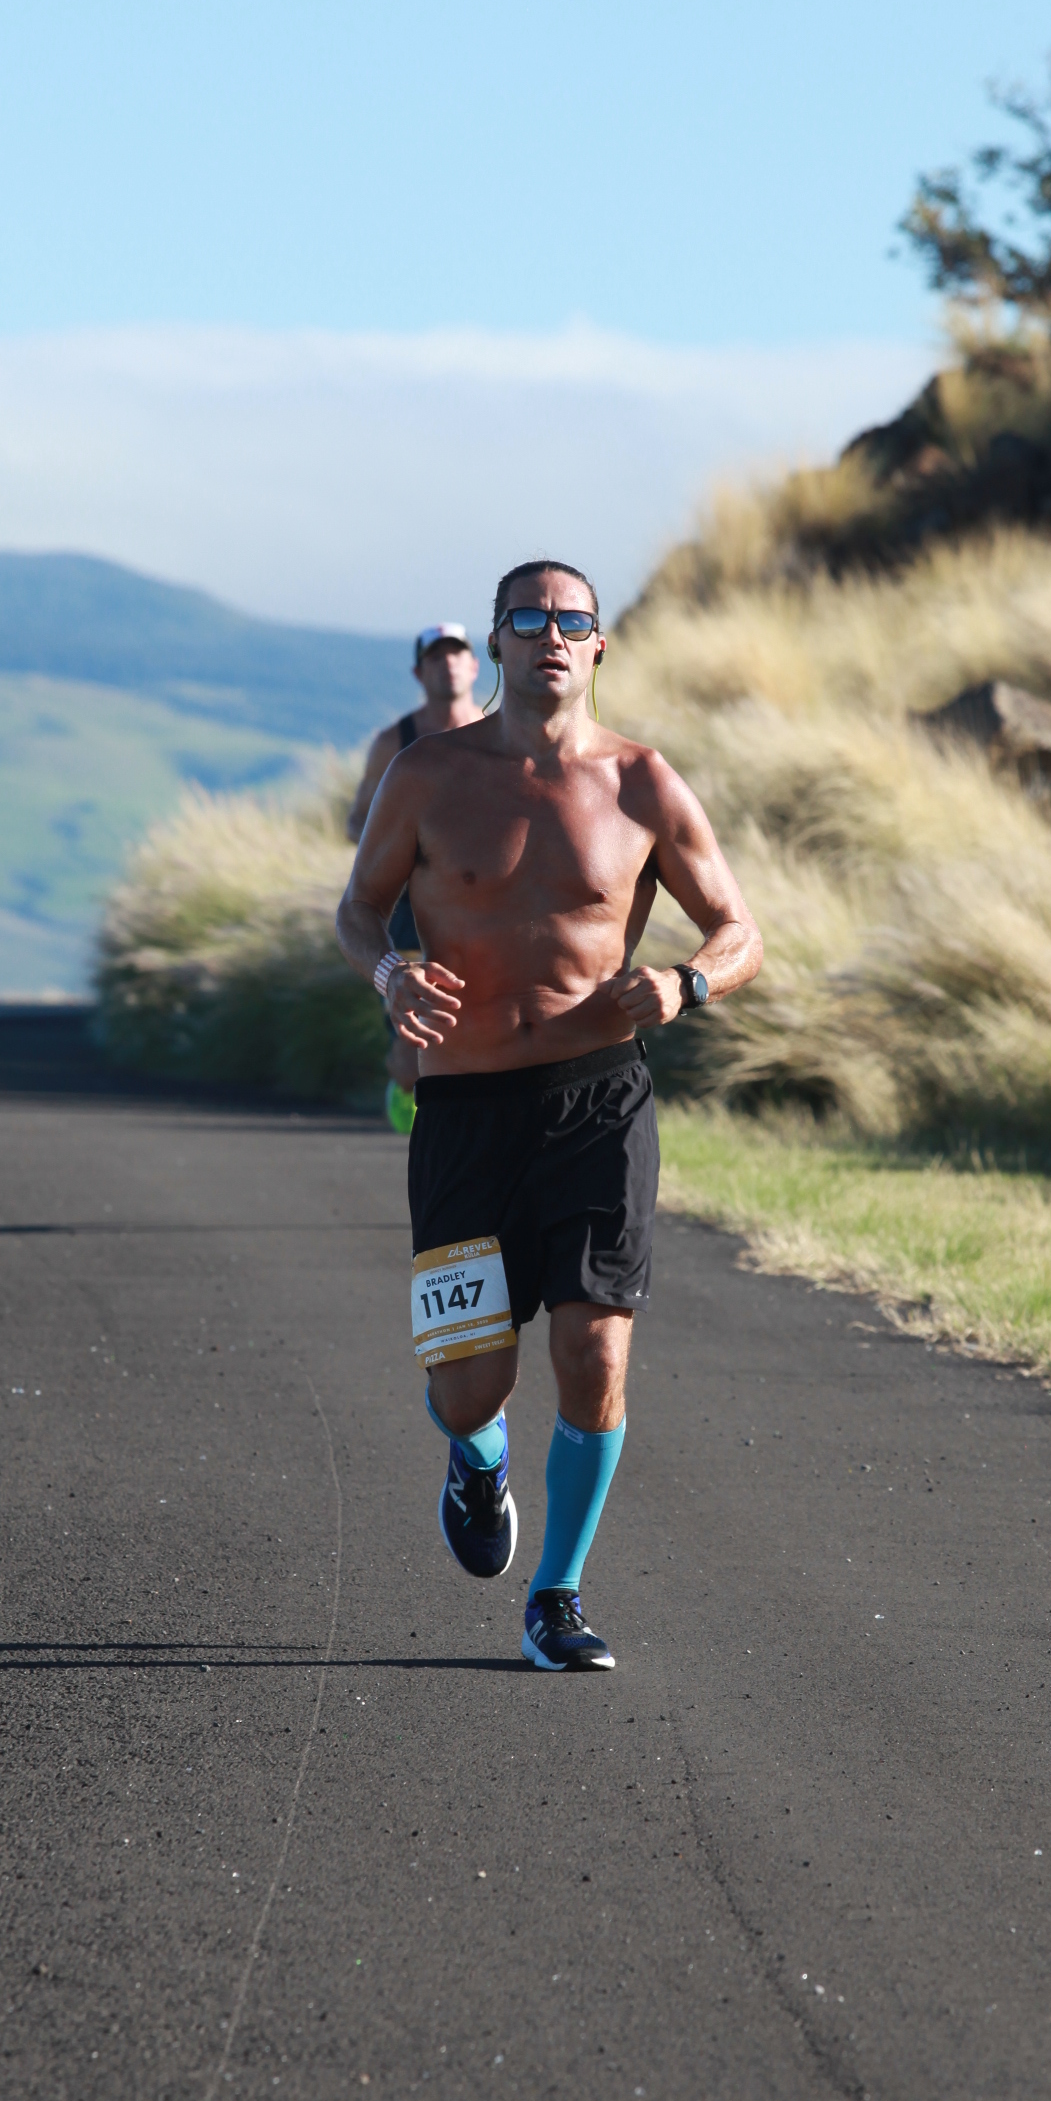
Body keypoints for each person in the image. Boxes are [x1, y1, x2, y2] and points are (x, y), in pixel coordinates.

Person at [336, 558, 762, 1671]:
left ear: (599, 645)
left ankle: (556, 1597)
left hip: (597, 1101)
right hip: (464, 1110)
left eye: (573, 620)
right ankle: (476, 1459)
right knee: (469, 1386)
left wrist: (686, 984)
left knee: (594, 1348)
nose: (551, 637)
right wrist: (388, 976)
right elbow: (357, 909)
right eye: (528, 619)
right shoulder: (427, 776)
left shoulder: (642, 782)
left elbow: (739, 931)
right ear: (498, 641)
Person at [347, 622, 487, 1134]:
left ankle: (465, 1127)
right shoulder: (396, 742)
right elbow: (357, 822)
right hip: (410, 910)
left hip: (486, 904)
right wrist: (407, 845)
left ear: (475, 666)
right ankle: (408, 1093)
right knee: (414, 1039)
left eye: (456, 654)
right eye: (435, 657)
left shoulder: (500, 734)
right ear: (418, 672)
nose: (447, 664)